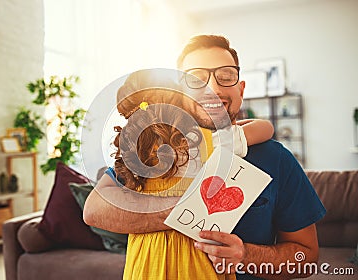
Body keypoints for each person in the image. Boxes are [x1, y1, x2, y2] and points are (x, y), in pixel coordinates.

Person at [84, 35, 326, 279]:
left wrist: (246, 256)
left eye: (226, 76)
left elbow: (307, 258)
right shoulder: (153, 150)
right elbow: (94, 210)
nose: (214, 88)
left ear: (241, 90)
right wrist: (181, 210)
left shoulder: (276, 159)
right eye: (196, 78)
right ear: (179, 92)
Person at [93, 68, 274, 280]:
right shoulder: (204, 139)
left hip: (147, 257)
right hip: (196, 255)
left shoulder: (132, 147)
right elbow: (264, 129)